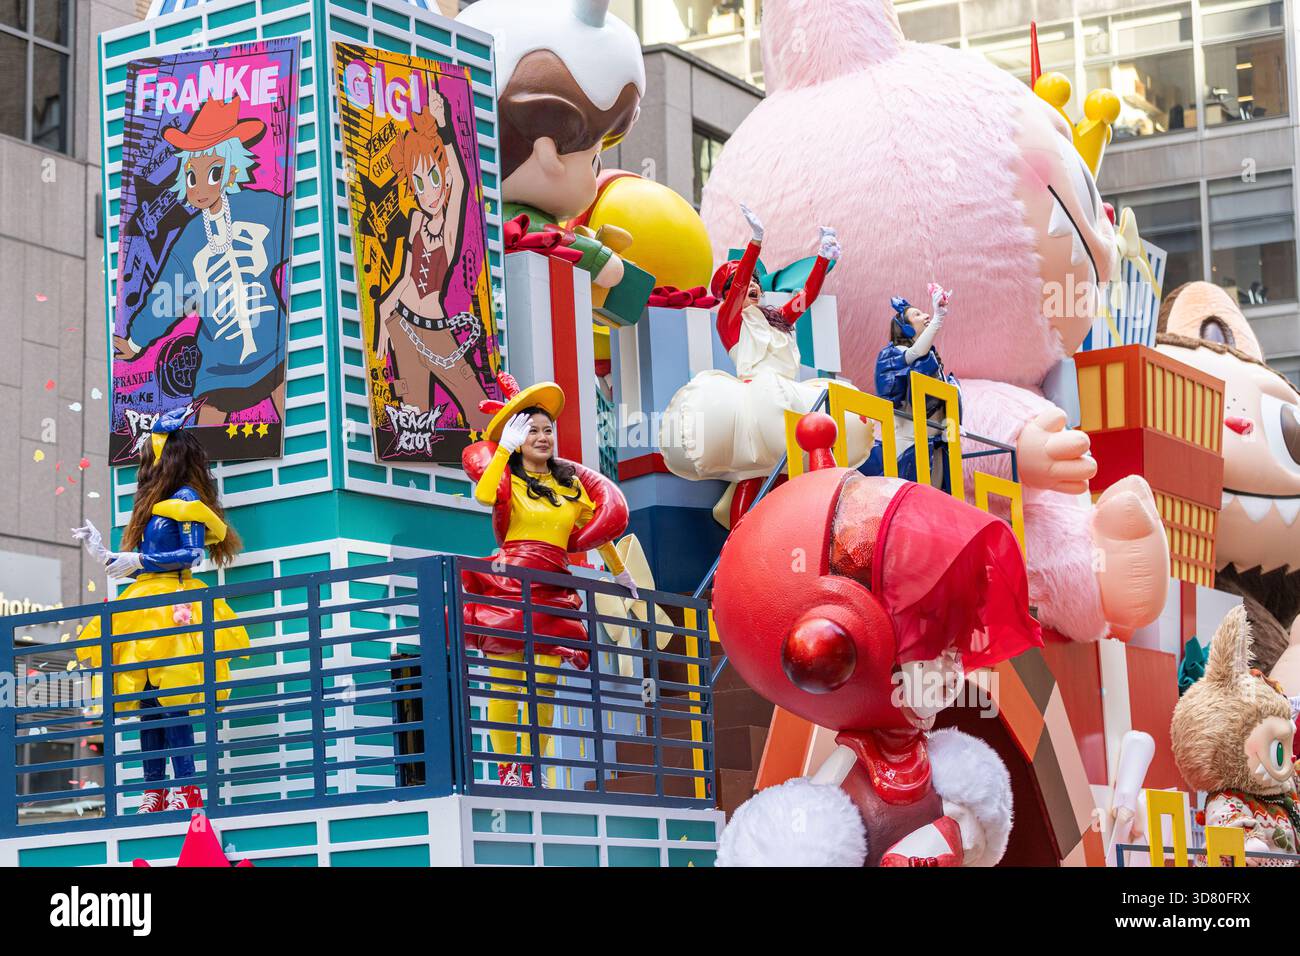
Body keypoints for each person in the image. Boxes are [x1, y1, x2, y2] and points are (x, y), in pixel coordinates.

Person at [71, 407, 249, 813]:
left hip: (172, 605)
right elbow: (144, 558)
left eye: (150, 453)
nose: (144, 461)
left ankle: (186, 788)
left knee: (173, 698)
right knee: (147, 702)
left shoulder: (185, 501)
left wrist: (139, 563)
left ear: (167, 457)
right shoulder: (153, 503)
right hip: (145, 604)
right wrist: (104, 551)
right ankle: (155, 790)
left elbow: (192, 553)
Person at [461, 375, 636, 787]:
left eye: (547, 430)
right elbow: (484, 496)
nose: (542, 438)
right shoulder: (509, 478)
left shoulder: (570, 487)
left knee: (544, 687)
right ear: (517, 438)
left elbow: (598, 531)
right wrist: (504, 449)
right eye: (532, 431)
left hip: (553, 587)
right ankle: (507, 772)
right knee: (504, 685)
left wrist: (621, 573)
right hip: (508, 584)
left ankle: (531, 770)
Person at [658, 201, 873, 528]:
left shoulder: (779, 320)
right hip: (756, 398)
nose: (751, 286)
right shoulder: (730, 322)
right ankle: (740, 539)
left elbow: (806, 297)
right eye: (739, 285)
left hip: (790, 393)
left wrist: (823, 259)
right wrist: (755, 242)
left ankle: (796, 534)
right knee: (756, 472)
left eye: (755, 280)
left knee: (789, 472)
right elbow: (739, 285)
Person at [114, 96, 287, 428]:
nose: (201, 186)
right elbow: (168, 295)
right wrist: (135, 341)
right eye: (192, 177)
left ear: (232, 169)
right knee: (204, 444)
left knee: (296, 422)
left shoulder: (260, 208)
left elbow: (299, 226)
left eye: (214, 172)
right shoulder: (192, 239)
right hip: (219, 368)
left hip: (274, 350)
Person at [375, 81, 493, 426]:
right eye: (419, 182)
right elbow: (406, 276)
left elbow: (461, 182)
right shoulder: (415, 221)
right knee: (415, 425)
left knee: (480, 409)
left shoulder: (450, 231)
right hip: (401, 324)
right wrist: (384, 311)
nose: (428, 191)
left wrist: (445, 128)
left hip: (435, 327)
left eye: (434, 178)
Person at [868, 287, 962, 491]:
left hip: (935, 443)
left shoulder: (930, 357)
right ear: (905, 327)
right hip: (907, 442)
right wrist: (938, 318)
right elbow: (914, 353)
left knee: (937, 497)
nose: (925, 315)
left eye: (924, 312)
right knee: (907, 494)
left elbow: (942, 398)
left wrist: (952, 424)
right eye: (917, 314)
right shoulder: (892, 354)